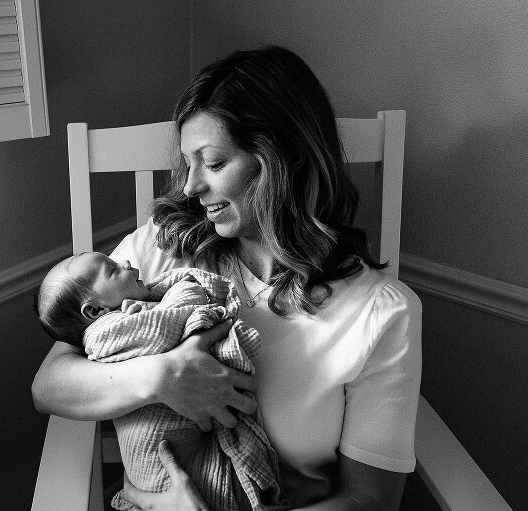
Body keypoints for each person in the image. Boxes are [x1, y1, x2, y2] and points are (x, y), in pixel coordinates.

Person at [32, 45, 422, 510]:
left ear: (283, 161)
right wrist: (160, 377)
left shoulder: (380, 312)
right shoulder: (154, 254)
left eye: (214, 163)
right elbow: (49, 384)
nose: (190, 187)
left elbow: (370, 499)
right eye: (188, 163)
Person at [35, 252, 285, 510]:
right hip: (164, 465)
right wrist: (160, 374)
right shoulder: (106, 331)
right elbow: (44, 389)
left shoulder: (123, 300)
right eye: (112, 270)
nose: (125, 262)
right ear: (94, 311)